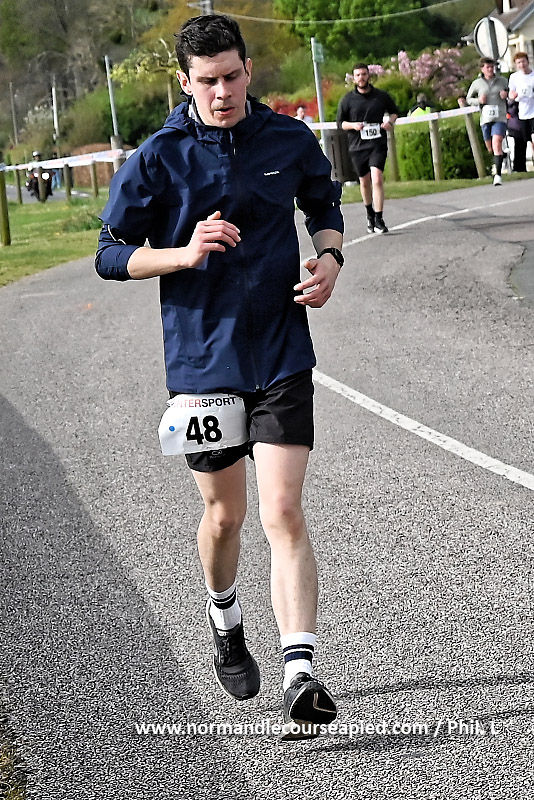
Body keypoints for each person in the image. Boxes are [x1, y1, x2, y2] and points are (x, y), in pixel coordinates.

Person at [95, 13, 344, 741]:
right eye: (208, 81)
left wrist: (330, 259)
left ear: (247, 71)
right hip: (203, 362)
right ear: (185, 82)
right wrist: (182, 252)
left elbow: (323, 207)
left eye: (233, 76)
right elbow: (110, 253)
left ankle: (301, 673)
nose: (223, 92)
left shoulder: (287, 139)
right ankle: (224, 614)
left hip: (280, 353)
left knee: (283, 511)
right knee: (226, 517)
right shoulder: (159, 157)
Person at [336, 62, 399, 234]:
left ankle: (379, 218)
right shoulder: (347, 100)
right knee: (364, 182)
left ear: (369, 76)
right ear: (354, 78)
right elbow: (340, 123)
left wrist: (390, 122)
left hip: (377, 144)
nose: (361, 78)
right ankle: (370, 215)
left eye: (364, 74)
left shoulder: (380, 96)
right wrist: (354, 126)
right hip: (357, 147)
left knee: (377, 179)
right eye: (358, 75)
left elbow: (394, 112)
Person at [466, 57, 508, 185]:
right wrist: (478, 101)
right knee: (490, 148)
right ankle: (500, 156)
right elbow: (468, 99)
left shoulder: (502, 81)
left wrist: (505, 95)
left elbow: (510, 93)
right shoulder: (477, 83)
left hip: (500, 116)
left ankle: (498, 176)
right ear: (482, 69)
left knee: (497, 142)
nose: (490, 69)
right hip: (486, 118)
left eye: (492, 67)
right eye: (487, 67)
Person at [508, 52, 534, 153]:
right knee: (529, 140)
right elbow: (511, 93)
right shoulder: (514, 77)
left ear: (528, 61)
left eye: (523, 61)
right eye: (519, 62)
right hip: (523, 113)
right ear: (516, 64)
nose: (522, 64)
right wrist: (512, 95)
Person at [506, 98, 528, 172]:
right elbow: (512, 111)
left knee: (521, 146)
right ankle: (519, 167)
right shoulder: (513, 103)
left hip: (517, 124)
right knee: (520, 145)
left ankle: (519, 167)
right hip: (517, 125)